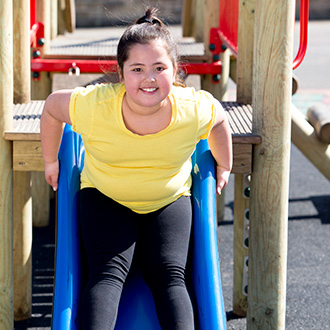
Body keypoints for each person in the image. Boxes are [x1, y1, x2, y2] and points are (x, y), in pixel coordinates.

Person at [40, 7, 232, 330]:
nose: (149, 78)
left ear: (174, 71)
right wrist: (49, 160)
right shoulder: (95, 105)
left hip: (167, 201)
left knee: (170, 275)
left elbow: (220, 120)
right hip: (106, 198)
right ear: (121, 72)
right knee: (106, 273)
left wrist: (224, 164)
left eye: (159, 68)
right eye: (137, 69)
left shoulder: (192, 108)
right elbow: (51, 108)